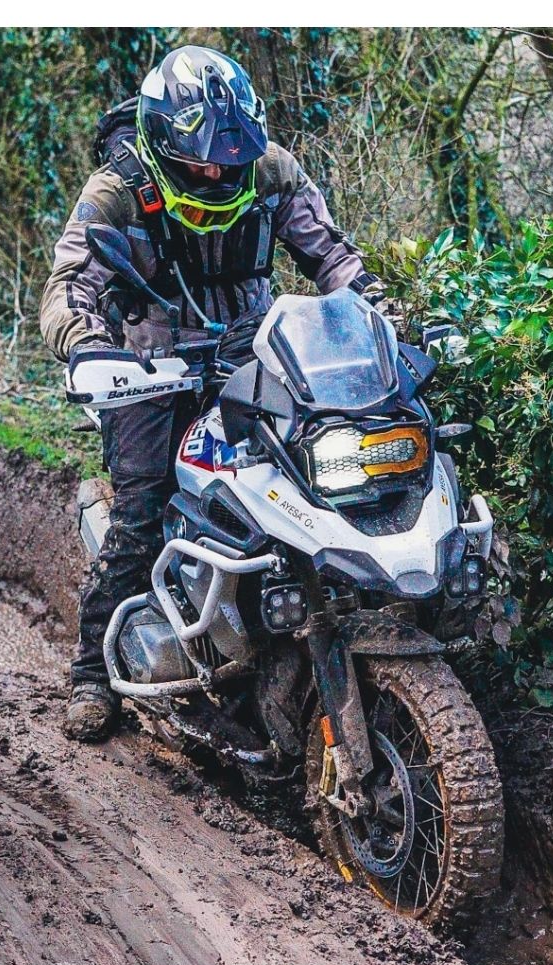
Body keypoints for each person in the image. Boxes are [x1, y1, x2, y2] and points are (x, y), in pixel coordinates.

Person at [40, 45, 379, 741]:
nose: (220, 174)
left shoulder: (270, 171)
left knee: (317, 479)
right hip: (149, 366)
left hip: (257, 353)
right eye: (203, 165)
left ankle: (296, 627)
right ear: (165, 147)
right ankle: (92, 674)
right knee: (143, 509)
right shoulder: (117, 190)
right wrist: (88, 346)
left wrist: (385, 314)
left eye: (232, 159)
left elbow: (334, 257)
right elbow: (68, 286)